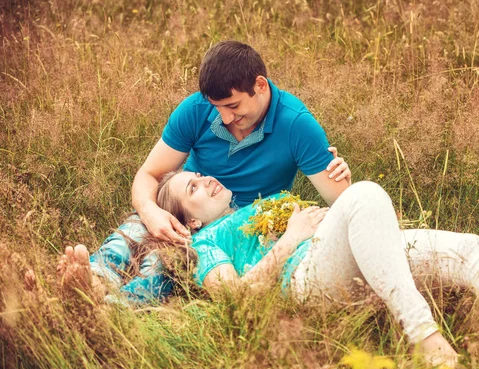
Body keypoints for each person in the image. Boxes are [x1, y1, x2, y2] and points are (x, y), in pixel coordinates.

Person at [146, 171, 479, 367]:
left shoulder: (253, 207)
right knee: (366, 195)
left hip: (334, 253)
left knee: (469, 249)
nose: (206, 180)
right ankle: (426, 340)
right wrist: (290, 238)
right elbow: (236, 299)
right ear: (192, 218)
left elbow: (348, 217)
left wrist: (338, 185)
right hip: (305, 280)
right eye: (194, 187)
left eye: (201, 174)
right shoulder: (204, 243)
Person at [87, 41, 351, 304]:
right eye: (217, 107)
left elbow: (345, 206)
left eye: (233, 106)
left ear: (260, 85)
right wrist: (150, 211)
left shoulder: (297, 125)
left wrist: (347, 183)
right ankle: (91, 283)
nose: (225, 117)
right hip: (188, 206)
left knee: (166, 260)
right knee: (133, 231)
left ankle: (116, 308)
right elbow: (149, 174)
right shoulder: (195, 110)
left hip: (241, 228)